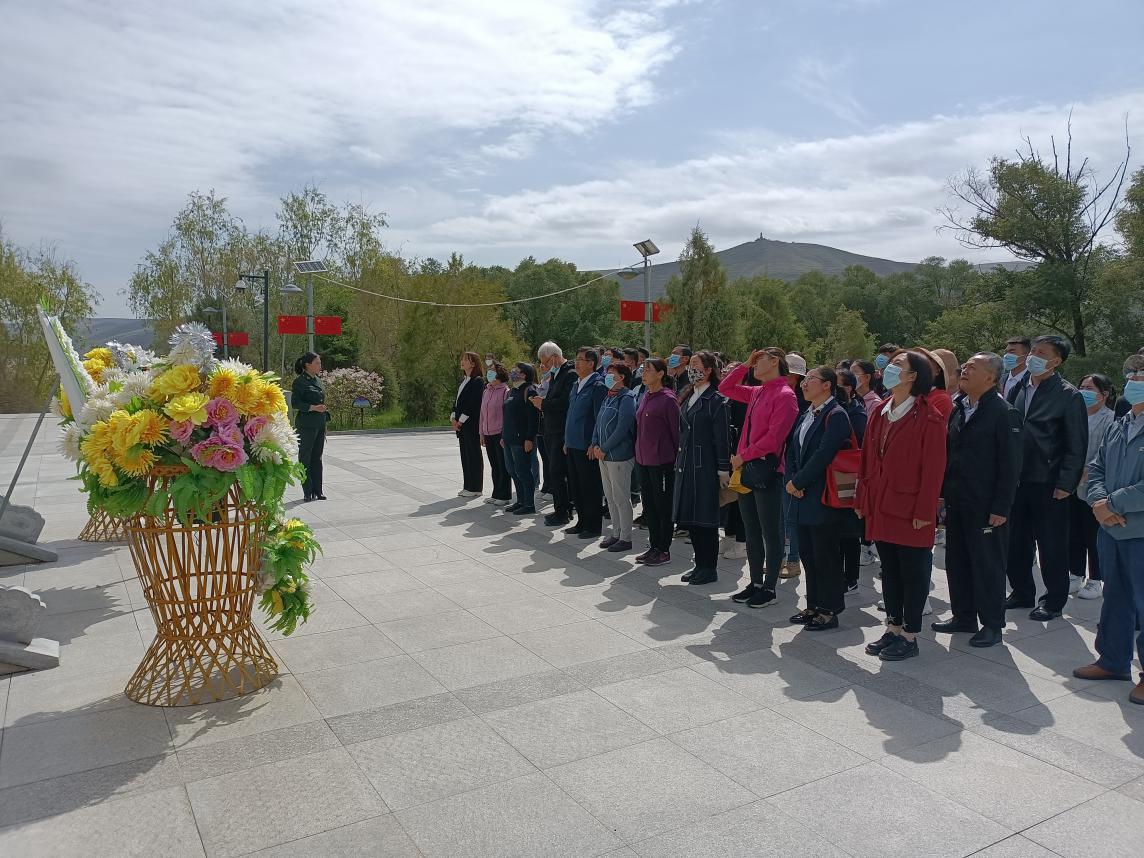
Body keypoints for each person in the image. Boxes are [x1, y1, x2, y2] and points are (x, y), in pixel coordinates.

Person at [857, 350, 947, 660]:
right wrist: (862, 498)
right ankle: (892, 628)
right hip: (881, 503)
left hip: (910, 509)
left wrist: (924, 511)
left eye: (898, 365)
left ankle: (910, 635)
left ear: (912, 376)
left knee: (913, 572)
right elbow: (867, 459)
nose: (890, 369)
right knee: (890, 570)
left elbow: (934, 470)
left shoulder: (929, 417)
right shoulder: (882, 410)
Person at [931, 353, 1022, 647]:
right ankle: (964, 616)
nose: (964, 370)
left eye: (973, 367)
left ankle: (993, 624)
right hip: (958, 500)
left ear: (991, 378)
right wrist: (942, 494)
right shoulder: (960, 407)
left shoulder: (1003, 413)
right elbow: (950, 455)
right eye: (965, 366)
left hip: (986, 505)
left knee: (987, 566)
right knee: (957, 561)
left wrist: (1001, 507)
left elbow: (1011, 465)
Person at [1072, 353, 1144, 706]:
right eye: (1132, 373)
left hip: (1137, 529)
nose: (1133, 380)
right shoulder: (1121, 422)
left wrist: (1111, 504)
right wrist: (1099, 501)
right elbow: (1097, 466)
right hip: (1111, 528)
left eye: (1141, 375)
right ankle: (1113, 660)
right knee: (1116, 597)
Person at [1004, 334, 1088, 621]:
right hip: (1018, 479)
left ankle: (1053, 601)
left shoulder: (1068, 395)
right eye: (1033, 351)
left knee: (1051, 545)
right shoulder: (1018, 387)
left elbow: (1077, 444)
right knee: (1016, 541)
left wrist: (1066, 483)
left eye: (1041, 353)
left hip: (1049, 482)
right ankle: (1021, 591)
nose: (1033, 357)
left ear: (1056, 361)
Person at [722, 348, 799, 606]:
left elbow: (774, 439)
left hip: (767, 471)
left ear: (775, 362)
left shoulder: (785, 395)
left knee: (771, 532)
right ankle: (755, 582)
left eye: (759, 360)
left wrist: (743, 455)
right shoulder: (758, 391)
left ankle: (770, 587)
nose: (755, 365)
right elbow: (725, 388)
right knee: (751, 529)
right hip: (746, 469)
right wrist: (744, 365)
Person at [785, 367, 857, 630]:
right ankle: (813, 604)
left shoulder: (836, 415)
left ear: (827, 385)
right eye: (804, 380)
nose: (804, 384)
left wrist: (798, 482)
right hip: (802, 494)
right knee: (808, 553)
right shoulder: (807, 412)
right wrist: (793, 480)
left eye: (810, 379)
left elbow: (824, 454)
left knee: (825, 554)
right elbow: (792, 450)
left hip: (823, 495)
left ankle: (829, 609)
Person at [673, 351, 732, 585]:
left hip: (705, 466)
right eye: (691, 365)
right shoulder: (690, 394)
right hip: (687, 464)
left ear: (708, 370)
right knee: (692, 519)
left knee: (706, 520)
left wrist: (723, 468)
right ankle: (699, 564)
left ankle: (709, 567)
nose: (692, 369)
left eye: (696, 365)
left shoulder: (717, 400)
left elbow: (722, 438)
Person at [1069, 373, 1117, 599]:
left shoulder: (1111, 419)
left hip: (1094, 484)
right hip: (1071, 483)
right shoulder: (1075, 414)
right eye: (1082, 386)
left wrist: (1087, 472)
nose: (1084, 391)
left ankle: (1095, 579)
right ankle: (1075, 573)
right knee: (1073, 531)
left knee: (1092, 534)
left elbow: (1105, 453)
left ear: (1104, 394)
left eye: (1090, 388)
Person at [635, 358, 680, 567]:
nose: (644, 373)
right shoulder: (646, 395)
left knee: (663, 507)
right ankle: (653, 546)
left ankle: (664, 549)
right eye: (643, 370)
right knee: (649, 506)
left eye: (648, 370)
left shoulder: (668, 399)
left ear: (661, 374)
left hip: (662, 462)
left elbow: (676, 433)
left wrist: (675, 460)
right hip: (643, 460)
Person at [591, 363, 638, 552]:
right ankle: (616, 533)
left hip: (619, 456)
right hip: (603, 455)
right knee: (610, 497)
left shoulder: (627, 398)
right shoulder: (609, 396)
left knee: (621, 498)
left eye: (612, 373)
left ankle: (626, 538)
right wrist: (595, 443)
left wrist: (604, 448)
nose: (607, 376)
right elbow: (599, 421)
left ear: (622, 377)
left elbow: (622, 427)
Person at [564, 346, 607, 538]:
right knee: (576, 486)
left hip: (586, 445)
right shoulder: (576, 384)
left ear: (591, 363)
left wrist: (594, 442)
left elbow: (599, 417)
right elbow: (570, 414)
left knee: (590, 486)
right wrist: (566, 440)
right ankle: (581, 522)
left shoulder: (598, 386)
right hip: (572, 443)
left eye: (581, 359)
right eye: (576, 359)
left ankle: (593, 525)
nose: (577, 363)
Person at [533, 342, 576, 526]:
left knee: (558, 472)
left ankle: (563, 511)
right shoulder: (555, 374)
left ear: (555, 357)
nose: (544, 366)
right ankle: (562, 508)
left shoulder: (570, 374)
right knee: (555, 472)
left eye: (546, 362)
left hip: (561, 430)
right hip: (551, 430)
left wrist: (543, 404)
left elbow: (565, 403)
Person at [836, 370, 868, 591]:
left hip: (848, 475)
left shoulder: (856, 413)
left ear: (849, 388)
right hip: (833, 476)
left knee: (849, 532)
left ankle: (851, 578)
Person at [502, 362, 540, 515]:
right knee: (513, 471)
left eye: (516, 370)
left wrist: (529, 438)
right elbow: (507, 416)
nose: (512, 372)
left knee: (523, 472)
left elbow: (533, 418)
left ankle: (529, 504)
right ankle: (520, 500)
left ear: (524, 374)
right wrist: (503, 436)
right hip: (509, 439)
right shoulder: (512, 391)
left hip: (521, 440)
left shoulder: (529, 391)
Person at [292, 351, 329, 502]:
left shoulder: (318, 381)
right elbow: (295, 403)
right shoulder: (300, 382)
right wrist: (312, 408)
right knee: (305, 457)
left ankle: (318, 491)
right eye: (317, 363)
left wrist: (324, 423)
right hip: (306, 425)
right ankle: (307, 491)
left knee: (317, 457)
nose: (320, 365)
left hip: (319, 423)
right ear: (308, 365)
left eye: (320, 363)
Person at [451, 351, 486, 498]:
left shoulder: (477, 381)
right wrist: (453, 417)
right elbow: (457, 402)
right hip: (461, 425)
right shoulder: (464, 380)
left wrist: (460, 420)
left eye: (466, 359)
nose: (462, 361)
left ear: (473, 363)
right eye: (462, 359)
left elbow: (473, 404)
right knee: (465, 455)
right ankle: (468, 485)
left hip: (470, 424)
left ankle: (475, 487)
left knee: (473, 454)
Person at [479, 362, 512, 507]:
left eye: (492, 371)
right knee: (494, 465)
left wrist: (505, 434)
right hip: (487, 433)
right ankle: (496, 493)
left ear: (500, 374)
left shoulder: (505, 391)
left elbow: (507, 415)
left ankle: (504, 495)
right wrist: (481, 433)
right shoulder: (486, 391)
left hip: (499, 433)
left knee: (502, 464)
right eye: (489, 371)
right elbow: (482, 414)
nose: (489, 373)